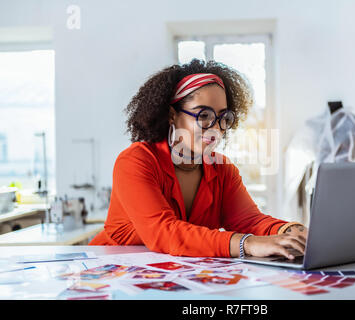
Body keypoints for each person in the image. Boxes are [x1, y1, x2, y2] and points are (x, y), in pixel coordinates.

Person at [89, 59, 308, 260]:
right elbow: (164, 232)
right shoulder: (136, 161)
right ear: (171, 115)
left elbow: (249, 220)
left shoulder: (222, 169)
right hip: (114, 271)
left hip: (178, 275)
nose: (216, 128)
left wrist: (290, 231)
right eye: (203, 115)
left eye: (223, 118)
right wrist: (247, 243)